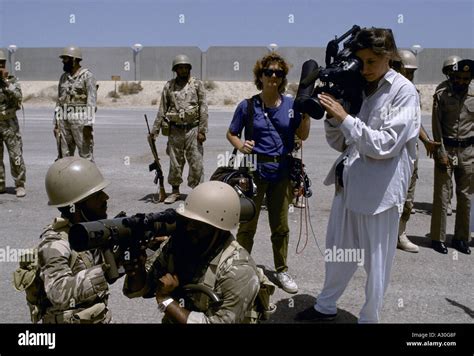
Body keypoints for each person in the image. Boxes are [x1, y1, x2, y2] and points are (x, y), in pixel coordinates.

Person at [296, 28, 420, 323]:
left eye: (370, 62)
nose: (364, 69)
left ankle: (369, 318)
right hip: (348, 185)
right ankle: (325, 306)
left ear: (388, 56)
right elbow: (341, 142)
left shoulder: (403, 92)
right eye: (360, 61)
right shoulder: (359, 88)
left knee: (377, 264)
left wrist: (344, 116)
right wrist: (332, 117)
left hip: (379, 193)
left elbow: (384, 145)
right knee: (338, 252)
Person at [226, 52, 311, 294]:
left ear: (283, 78)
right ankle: (239, 267)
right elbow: (231, 133)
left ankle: (281, 270)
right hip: (253, 171)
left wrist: (306, 113)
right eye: (269, 72)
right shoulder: (248, 106)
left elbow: (303, 135)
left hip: (281, 172)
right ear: (260, 76)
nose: (273, 76)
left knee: (281, 225)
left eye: (279, 73)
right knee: (247, 225)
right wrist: (240, 145)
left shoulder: (291, 106)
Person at [123, 181, 262, 323]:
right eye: (188, 220)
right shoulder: (179, 244)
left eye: (199, 224)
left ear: (218, 228)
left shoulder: (239, 269)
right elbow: (144, 287)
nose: (189, 227)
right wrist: (137, 270)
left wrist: (166, 301)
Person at [38, 157, 112, 323]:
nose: (105, 198)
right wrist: (104, 272)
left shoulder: (92, 230)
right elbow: (58, 292)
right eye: (97, 195)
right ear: (76, 206)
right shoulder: (55, 244)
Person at [391, 49, 441, 253]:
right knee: (390, 197)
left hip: (411, 152)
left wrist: (427, 140)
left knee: (408, 197)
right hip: (392, 152)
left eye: (412, 72)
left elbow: (415, 121)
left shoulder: (413, 93)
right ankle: (383, 235)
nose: (409, 76)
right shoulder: (386, 92)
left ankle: (400, 234)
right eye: (406, 71)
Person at [151, 54, 208, 204]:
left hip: (193, 129)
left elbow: (203, 108)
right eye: (179, 68)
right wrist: (154, 130)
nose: (183, 71)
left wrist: (202, 130)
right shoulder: (169, 86)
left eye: (185, 68)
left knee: (196, 163)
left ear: (189, 68)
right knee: (175, 162)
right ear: (175, 70)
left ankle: (197, 193)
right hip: (175, 130)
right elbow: (162, 109)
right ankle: (175, 191)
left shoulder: (197, 85)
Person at [430, 59, 473, 255]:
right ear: (452, 76)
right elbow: (436, 126)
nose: (462, 82)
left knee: (465, 196)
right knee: (442, 194)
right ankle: (438, 238)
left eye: (466, 79)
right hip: (447, 150)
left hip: (468, 152)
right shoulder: (441, 94)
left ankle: (461, 238)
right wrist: (441, 152)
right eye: (458, 78)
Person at [55, 46, 97, 161]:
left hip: (81, 122)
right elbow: (59, 101)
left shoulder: (87, 76)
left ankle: (89, 178)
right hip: (64, 121)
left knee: (86, 156)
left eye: (66, 59)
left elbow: (91, 101)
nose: (63, 61)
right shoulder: (63, 78)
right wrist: (56, 123)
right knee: (64, 156)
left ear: (74, 60)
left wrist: (88, 124)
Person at [0, 49, 26, 197]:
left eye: (2, 63)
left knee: (15, 155)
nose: (1, 67)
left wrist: (5, 83)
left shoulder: (13, 80)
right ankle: (1, 183)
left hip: (10, 124)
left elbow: (18, 98)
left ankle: (20, 184)